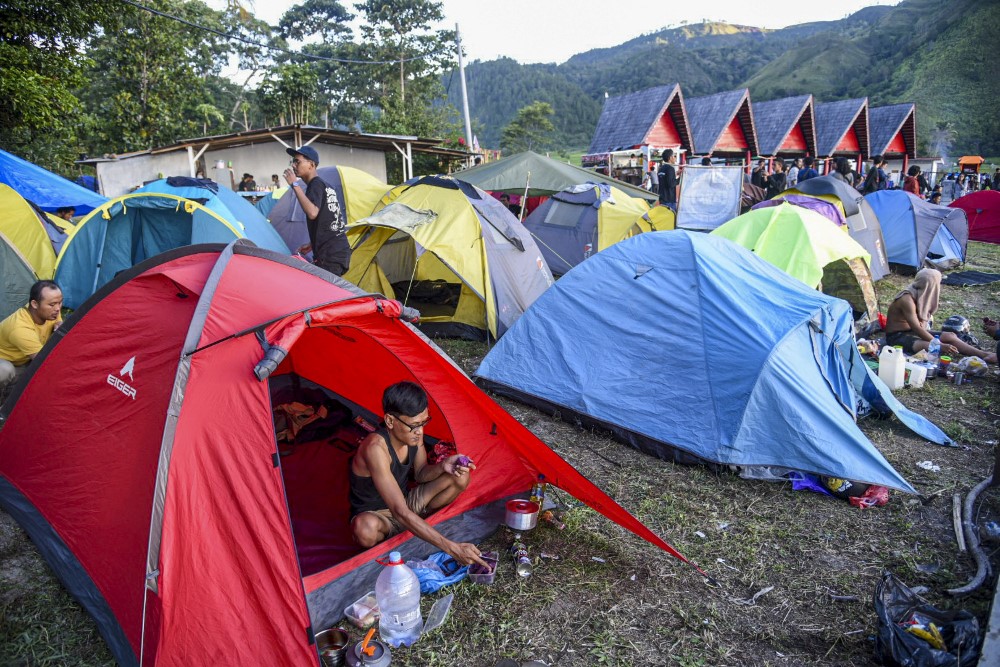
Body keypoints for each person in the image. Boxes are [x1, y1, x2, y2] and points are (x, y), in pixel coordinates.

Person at [349, 382, 488, 568]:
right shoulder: (375, 448)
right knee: (364, 529)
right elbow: (399, 511)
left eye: (424, 422)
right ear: (390, 421)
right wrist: (453, 548)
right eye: (414, 425)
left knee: (460, 476)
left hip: (406, 502)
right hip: (379, 514)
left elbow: (421, 474)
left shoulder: (414, 434)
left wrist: (443, 466)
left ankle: (416, 528)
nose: (420, 431)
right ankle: (417, 528)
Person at [883, 268, 996, 362]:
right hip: (897, 337)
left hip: (911, 332)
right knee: (931, 347)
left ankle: (983, 354)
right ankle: (980, 354)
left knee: (950, 335)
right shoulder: (906, 299)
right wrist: (939, 345)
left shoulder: (920, 293)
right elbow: (917, 328)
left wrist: (939, 342)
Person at [284, 146, 351, 276]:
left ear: (311, 164)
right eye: (293, 161)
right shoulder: (326, 186)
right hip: (339, 250)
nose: (293, 165)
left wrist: (294, 185)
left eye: (297, 161)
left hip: (330, 254)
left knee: (327, 294)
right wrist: (312, 243)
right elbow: (330, 219)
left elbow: (312, 213)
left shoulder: (315, 184)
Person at [0, 280, 63, 396]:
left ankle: (11, 397)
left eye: (60, 303)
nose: (58, 309)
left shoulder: (49, 311)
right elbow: (45, 362)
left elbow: (58, 316)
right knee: (5, 370)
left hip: (24, 360)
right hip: (6, 361)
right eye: (52, 304)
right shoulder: (20, 328)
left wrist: (58, 323)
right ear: (34, 304)